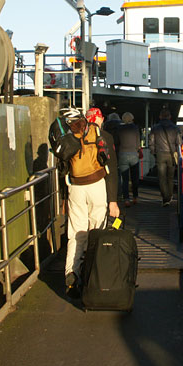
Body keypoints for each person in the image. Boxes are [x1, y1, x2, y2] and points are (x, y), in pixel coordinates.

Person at [63, 107, 120, 295]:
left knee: (76, 233)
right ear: (100, 119)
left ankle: (71, 274)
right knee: (97, 231)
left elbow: (63, 167)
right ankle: (94, 275)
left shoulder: (70, 136)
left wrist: (65, 197)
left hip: (75, 188)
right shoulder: (103, 136)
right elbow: (111, 170)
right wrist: (113, 201)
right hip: (97, 186)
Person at [150, 108, 181, 206]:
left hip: (160, 154)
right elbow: (179, 142)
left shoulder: (155, 128)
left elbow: (151, 141)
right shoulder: (175, 128)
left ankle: (165, 197)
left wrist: (153, 152)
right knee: (170, 177)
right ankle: (170, 196)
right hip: (171, 155)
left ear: (160, 116)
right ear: (170, 117)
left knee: (162, 177)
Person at [117, 112, 141, 207]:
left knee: (125, 179)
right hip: (134, 154)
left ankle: (126, 199)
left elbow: (118, 142)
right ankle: (135, 197)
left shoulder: (119, 129)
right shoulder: (135, 128)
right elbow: (138, 143)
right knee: (135, 178)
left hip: (123, 154)